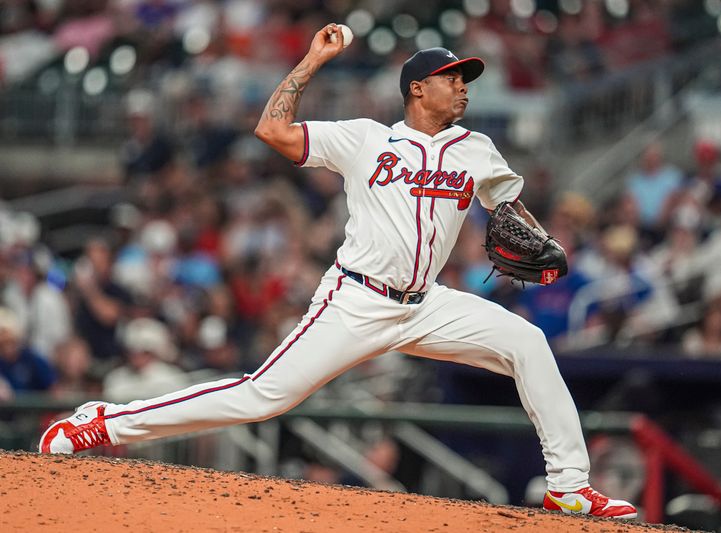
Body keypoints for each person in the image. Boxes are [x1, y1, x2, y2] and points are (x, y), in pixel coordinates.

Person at [39, 24, 636, 520]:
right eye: (452, 78)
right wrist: (310, 61)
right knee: (262, 397)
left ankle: (567, 483)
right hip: (356, 299)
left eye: (464, 79)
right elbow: (271, 130)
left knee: (528, 342)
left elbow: (508, 210)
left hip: (427, 303)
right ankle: (105, 422)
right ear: (417, 88)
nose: (462, 88)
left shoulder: (475, 148)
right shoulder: (365, 140)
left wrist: (540, 236)